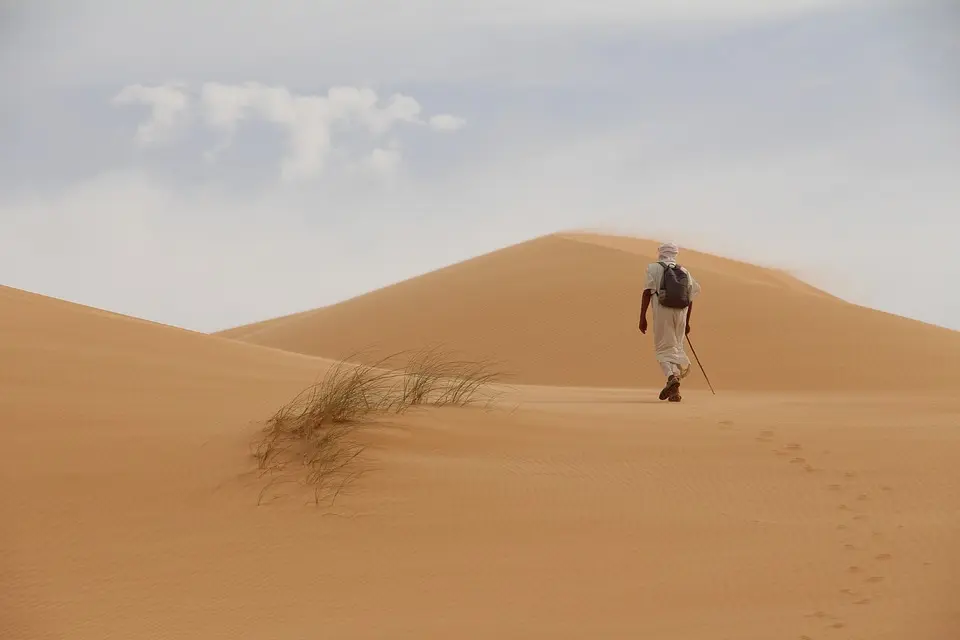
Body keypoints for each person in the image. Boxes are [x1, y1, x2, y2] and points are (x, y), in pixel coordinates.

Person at [638, 242, 701, 402]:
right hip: (681, 313)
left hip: (662, 312)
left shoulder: (653, 268)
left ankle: (671, 376)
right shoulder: (684, 271)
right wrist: (687, 322)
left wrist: (642, 317)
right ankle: (674, 391)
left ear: (660, 253)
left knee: (662, 349)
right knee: (676, 347)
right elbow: (691, 298)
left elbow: (647, 293)